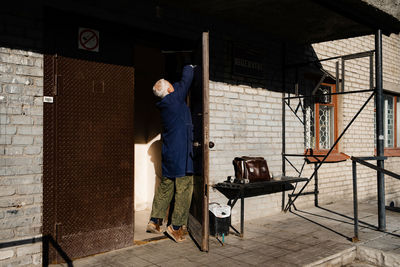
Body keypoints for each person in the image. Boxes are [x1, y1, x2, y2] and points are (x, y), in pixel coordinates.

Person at [146, 65, 196, 243]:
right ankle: (175, 227)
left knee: (166, 185)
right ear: (168, 89)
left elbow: (177, 86)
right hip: (181, 152)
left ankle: (155, 220)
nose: (173, 85)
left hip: (169, 152)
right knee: (184, 187)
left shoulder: (165, 104)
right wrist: (189, 66)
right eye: (170, 84)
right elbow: (186, 81)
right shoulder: (174, 99)